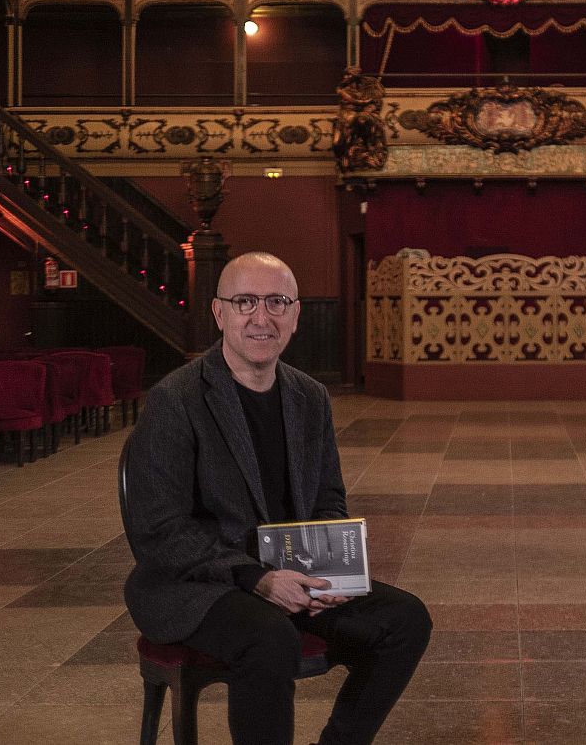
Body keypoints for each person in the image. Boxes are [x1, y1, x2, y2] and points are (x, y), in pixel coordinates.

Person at [122, 252, 432, 745]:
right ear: (219, 313)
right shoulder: (175, 401)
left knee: (405, 620)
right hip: (195, 583)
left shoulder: (309, 396)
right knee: (269, 636)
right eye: (245, 302)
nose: (261, 317)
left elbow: (328, 496)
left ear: (296, 314)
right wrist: (259, 579)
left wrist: (332, 565)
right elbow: (158, 532)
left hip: (292, 573)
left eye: (276, 302)